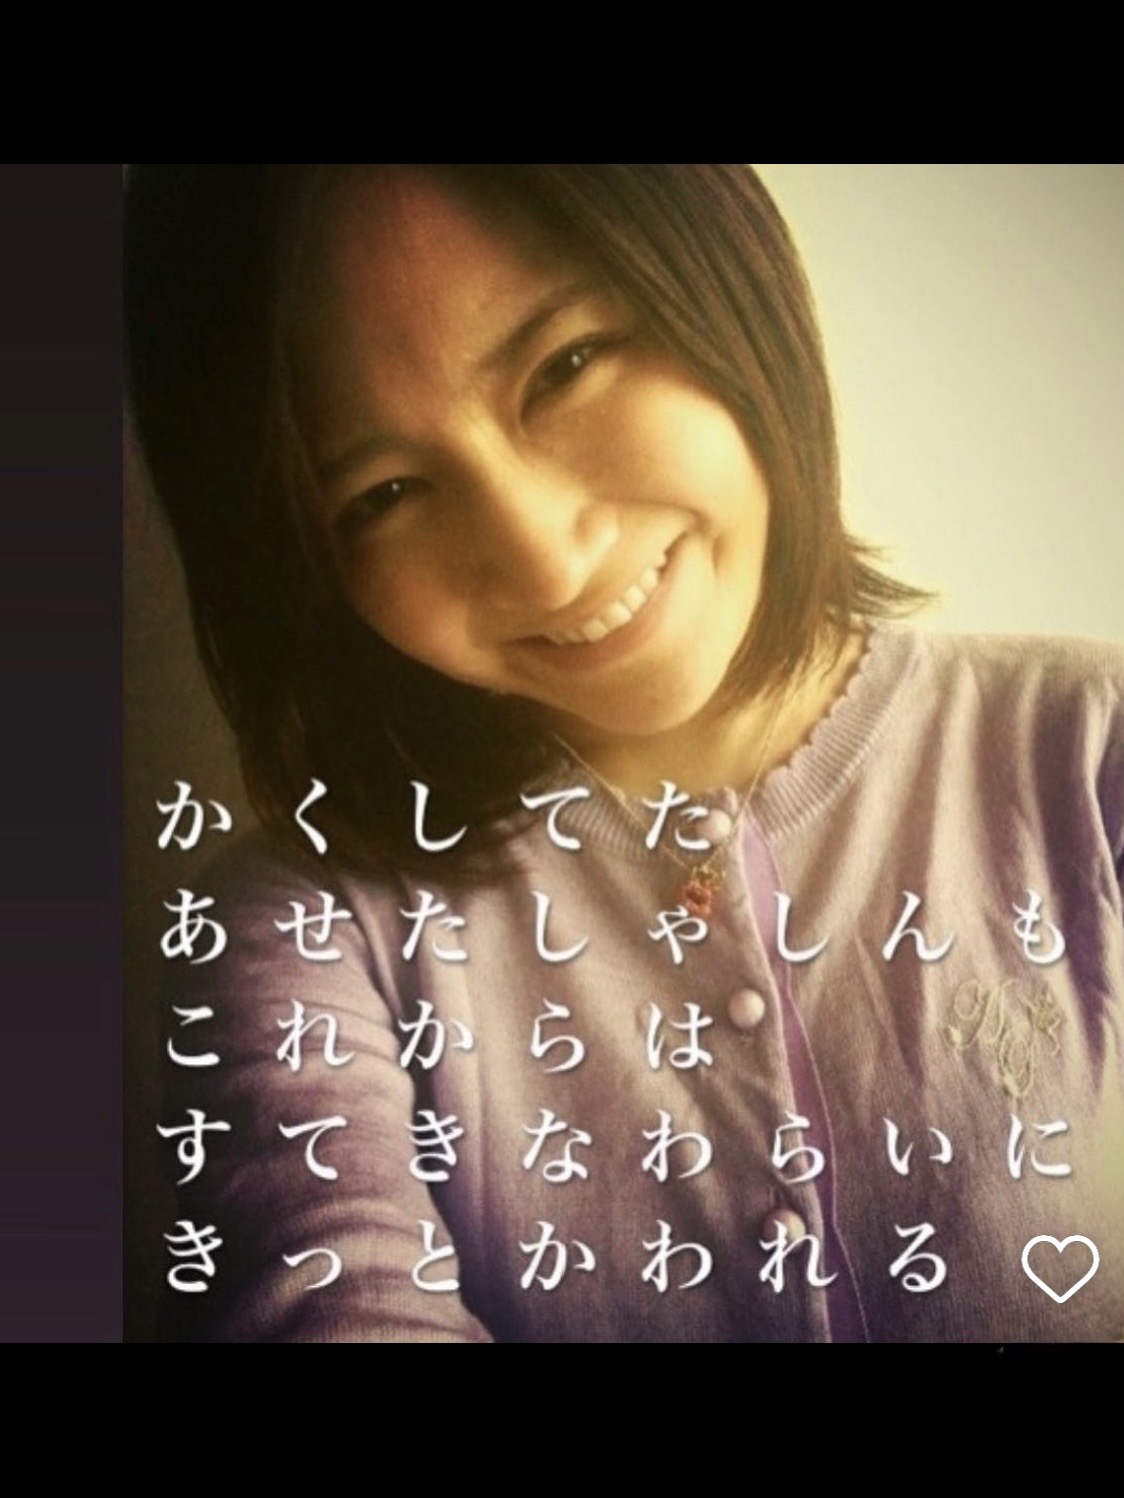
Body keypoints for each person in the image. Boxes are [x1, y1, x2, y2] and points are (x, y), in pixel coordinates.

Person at [126, 164, 1124, 1342]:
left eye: (564, 365)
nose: (543, 558)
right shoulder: (306, 927)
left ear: (722, 279)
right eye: (383, 492)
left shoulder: (1086, 750)